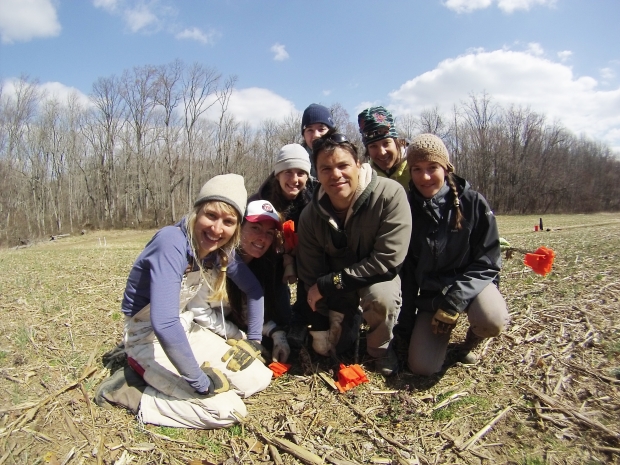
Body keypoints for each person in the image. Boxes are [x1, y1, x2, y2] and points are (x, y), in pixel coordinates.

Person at [95, 174, 273, 429]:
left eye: (228, 221)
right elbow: (164, 322)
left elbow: (254, 289)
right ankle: (129, 390)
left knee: (259, 377)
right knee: (228, 411)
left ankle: (173, 378)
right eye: (211, 215)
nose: (217, 229)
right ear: (196, 211)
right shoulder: (171, 242)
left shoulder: (220, 250)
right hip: (147, 337)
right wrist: (199, 381)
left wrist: (254, 342)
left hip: (186, 327)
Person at [296, 131, 412, 376]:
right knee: (330, 348)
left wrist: (330, 283)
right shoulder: (309, 216)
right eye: (326, 168)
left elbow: (387, 260)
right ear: (316, 173)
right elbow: (310, 274)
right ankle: (348, 321)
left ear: (359, 165)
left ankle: (380, 348)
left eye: (343, 165)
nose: (336, 175)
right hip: (337, 289)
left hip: (376, 277)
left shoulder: (390, 195)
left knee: (382, 299)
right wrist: (320, 322)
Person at [403, 134, 510, 376]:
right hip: (433, 297)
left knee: (491, 320)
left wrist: (454, 302)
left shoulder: (472, 202)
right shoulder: (407, 208)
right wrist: (405, 325)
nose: (425, 176)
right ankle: (438, 335)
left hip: (473, 286)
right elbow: (407, 273)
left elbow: (488, 262)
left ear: (446, 168)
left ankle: (469, 342)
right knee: (422, 367)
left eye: (433, 167)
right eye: (417, 169)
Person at [204, 200, 291, 363]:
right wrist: (241, 336)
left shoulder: (262, 267)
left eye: (269, 233)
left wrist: (276, 333)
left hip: (224, 328)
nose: (262, 238)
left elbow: (245, 313)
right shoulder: (217, 259)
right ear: (239, 227)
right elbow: (200, 313)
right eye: (255, 228)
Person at [249, 144, 314, 345]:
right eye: (288, 172)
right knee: (282, 317)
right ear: (277, 174)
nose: (295, 180)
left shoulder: (316, 198)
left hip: (306, 258)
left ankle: (305, 314)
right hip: (270, 261)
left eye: (301, 173)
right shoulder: (259, 202)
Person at [357, 106, 410, 191]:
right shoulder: (367, 179)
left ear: (396, 142)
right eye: (373, 146)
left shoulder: (415, 167)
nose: (382, 152)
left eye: (386, 143)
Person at [300, 103, 336, 177]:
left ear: (330, 132)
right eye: (310, 130)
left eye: (321, 129)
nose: (316, 135)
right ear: (304, 135)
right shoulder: (295, 161)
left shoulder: (343, 155)